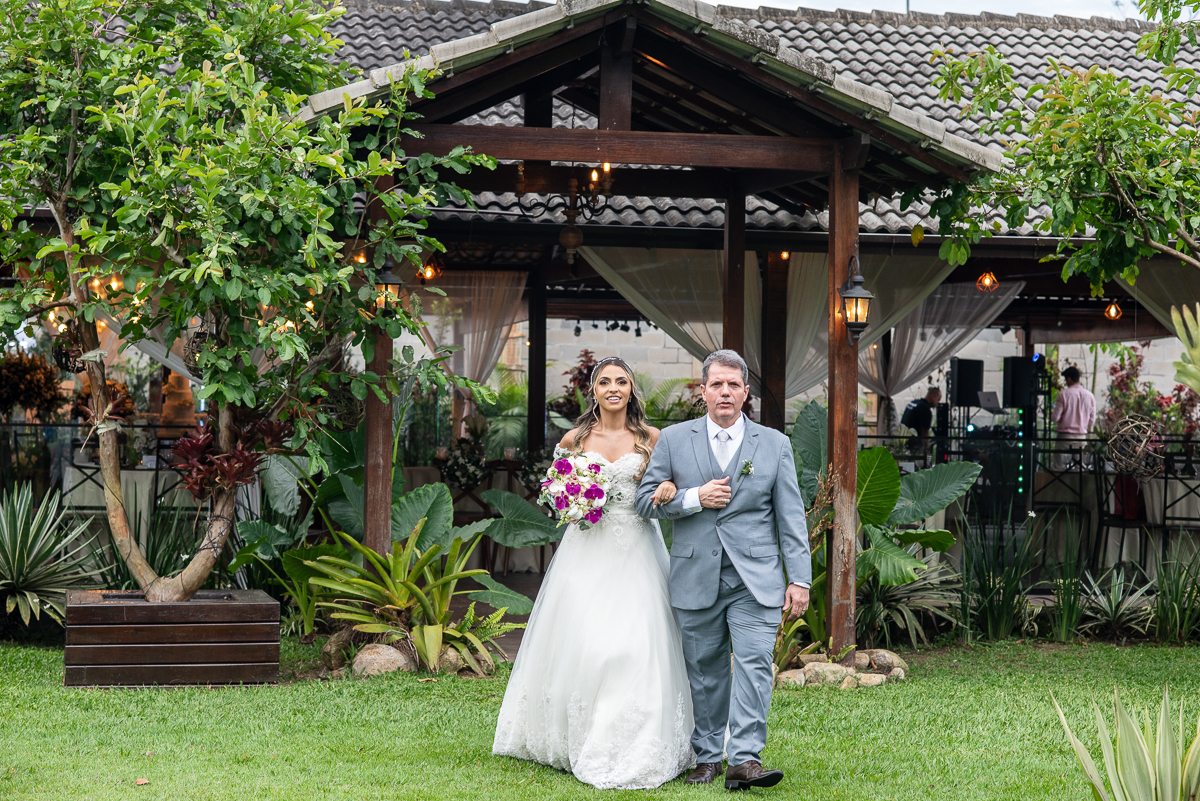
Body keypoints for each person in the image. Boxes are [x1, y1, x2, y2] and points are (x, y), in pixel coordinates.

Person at [492, 356, 696, 790]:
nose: (614, 388)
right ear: (594, 391)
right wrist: (572, 503)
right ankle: (577, 733)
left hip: (640, 545)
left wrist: (669, 487)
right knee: (588, 642)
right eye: (605, 382)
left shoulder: (651, 438)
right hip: (587, 547)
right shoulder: (576, 437)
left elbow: (673, 482)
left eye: (622, 381)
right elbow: (556, 490)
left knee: (639, 642)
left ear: (631, 389)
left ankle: (641, 735)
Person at [634, 349, 811, 792]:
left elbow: (791, 517)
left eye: (734, 385)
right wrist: (694, 497)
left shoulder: (774, 444)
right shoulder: (674, 440)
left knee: (753, 665)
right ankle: (709, 755)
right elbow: (643, 501)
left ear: (746, 392)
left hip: (757, 579)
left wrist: (800, 578)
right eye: (717, 384)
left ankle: (746, 757)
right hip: (696, 577)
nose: (725, 392)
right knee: (706, 669)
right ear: (703, 391)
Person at [1051, 365, 1096, 468]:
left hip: (1064, 437)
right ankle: (1077, 483)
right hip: (1081, 438)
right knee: (1079, 465)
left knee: (1058, 463)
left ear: (1069, 379)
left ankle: (1060, 482)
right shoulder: (1090, 396)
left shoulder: (1063, 395)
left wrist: (1051, 413)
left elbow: (1055, 418)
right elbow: (1091, 422)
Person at [900, 387, 941, 453]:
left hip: (902, 440)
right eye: (938, 399)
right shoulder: (925, 409)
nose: (938, 402)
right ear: (933, 396)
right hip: (913, 444)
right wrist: (927, 449)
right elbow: (925, 432)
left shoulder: (912, 403)